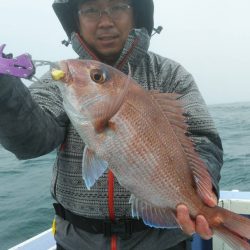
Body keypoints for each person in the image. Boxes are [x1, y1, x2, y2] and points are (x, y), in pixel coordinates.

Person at [0, 0, 223, 249]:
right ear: (76, 19)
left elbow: (202, 139)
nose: (105, 22)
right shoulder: (65, 81)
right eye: (91, 10)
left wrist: (204, 190)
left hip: (161, 243)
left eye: (118, 7)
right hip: (77, 241)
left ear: (137, 14)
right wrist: (4, 88)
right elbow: (31, 141)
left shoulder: (169, 75)